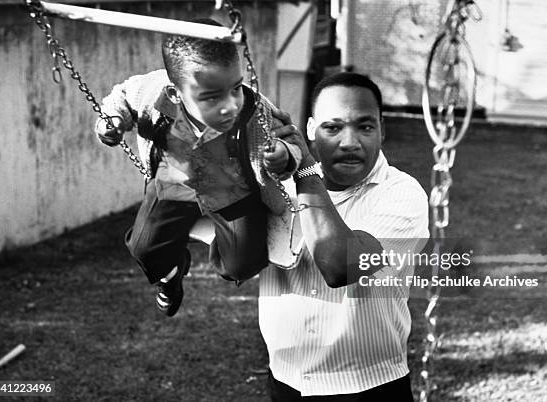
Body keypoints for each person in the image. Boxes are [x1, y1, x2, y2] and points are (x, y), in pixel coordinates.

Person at [95, 19, 301, 317]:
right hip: (174, 182)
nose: (229, 105)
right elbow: (122, 96)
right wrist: (111, 121)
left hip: (231, 188)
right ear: (176, 94)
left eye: (235, 88)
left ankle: (219, 234)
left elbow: (288, 140)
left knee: (242, 265)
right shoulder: (153, 92)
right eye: (211, 97)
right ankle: (171, 275)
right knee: (143, 247)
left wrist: (284, 157)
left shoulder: (255, 109)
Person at [260, 72, 429, 400]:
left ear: (382, 130)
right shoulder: (279, 185)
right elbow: (233, 263)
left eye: (365, 126)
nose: (350, 142)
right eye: (332, 127)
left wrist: (306, 171)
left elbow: (339, 266)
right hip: (284, 379)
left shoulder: (403, 194)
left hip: (367, 387)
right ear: (310, 130)